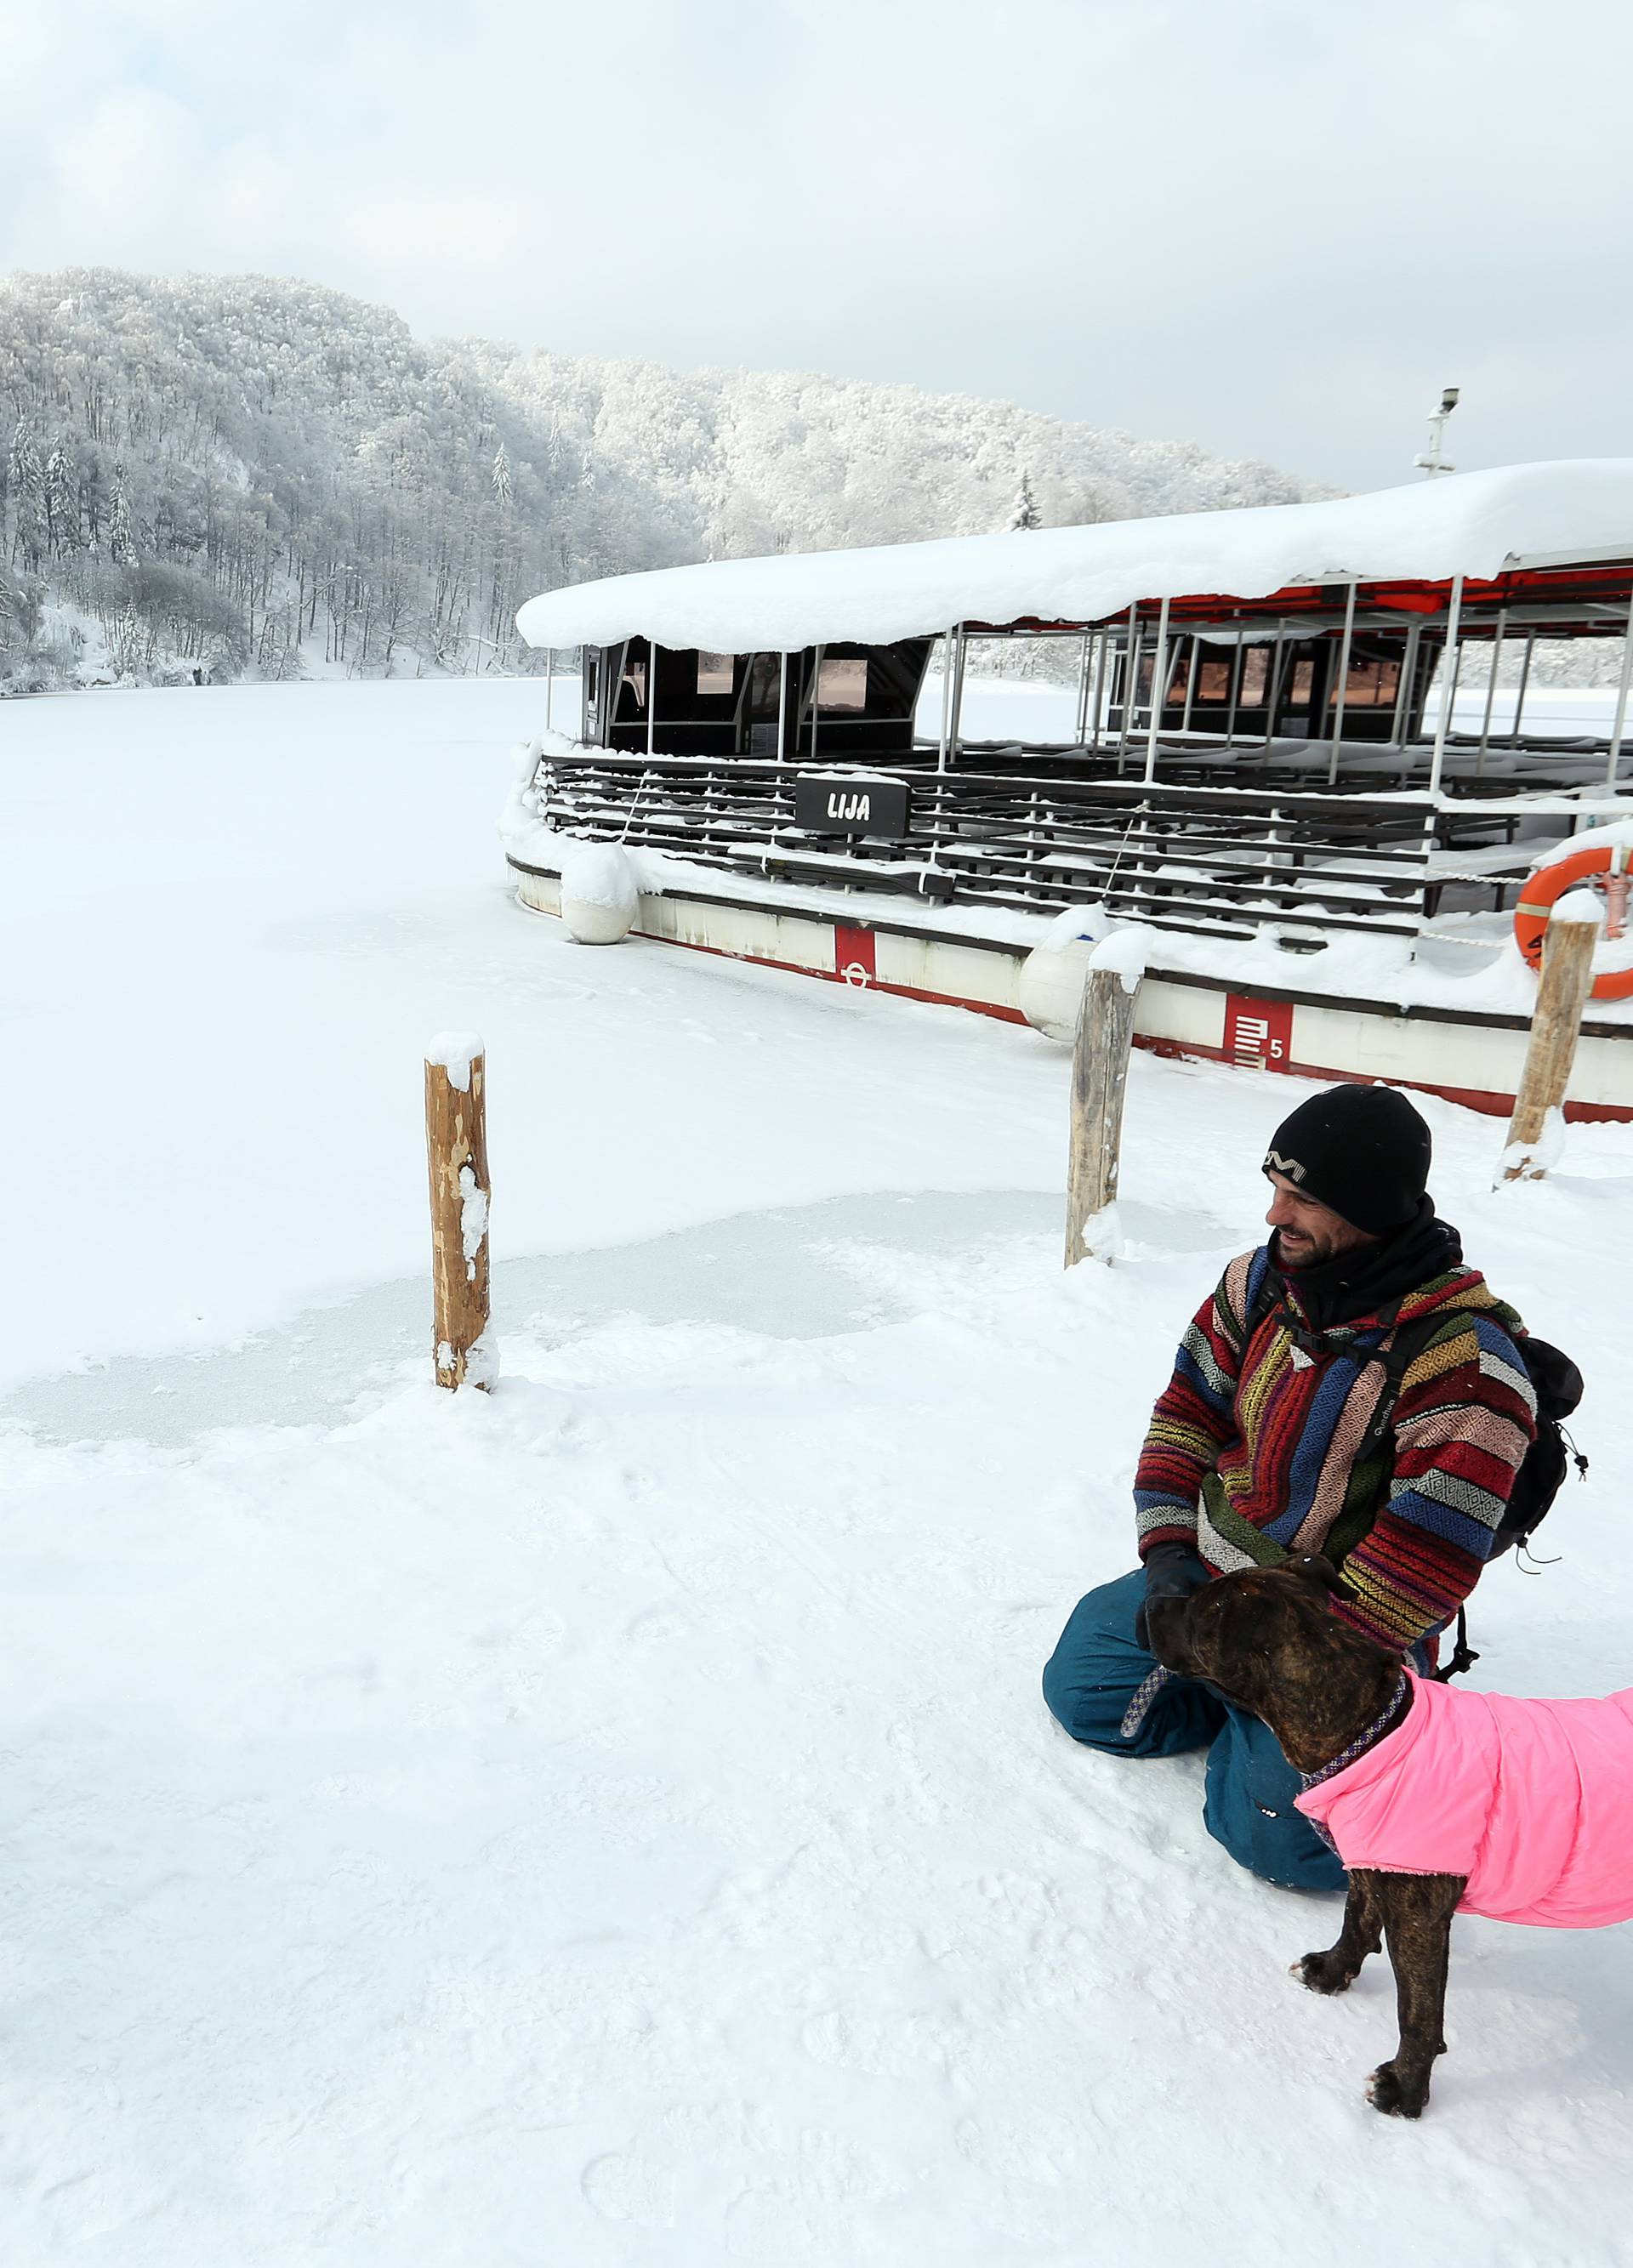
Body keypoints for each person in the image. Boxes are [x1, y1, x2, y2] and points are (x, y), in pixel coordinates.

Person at [1042, 1083, 1538, 1891]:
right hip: (1213, 1574)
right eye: (1274, 1189)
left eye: (1301, 1199)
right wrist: (1169, 1558)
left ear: (1369, 1208)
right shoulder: (1257, 1284)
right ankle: (1236, 1708)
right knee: (1086, 1695)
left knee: (1290, 1852)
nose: (1275, 1216)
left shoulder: (1468, 1370)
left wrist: (1275, 1661)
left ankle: (1305, 1735)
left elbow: (1423, 1563)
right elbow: (1184, 1417)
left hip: (1337, 1629)